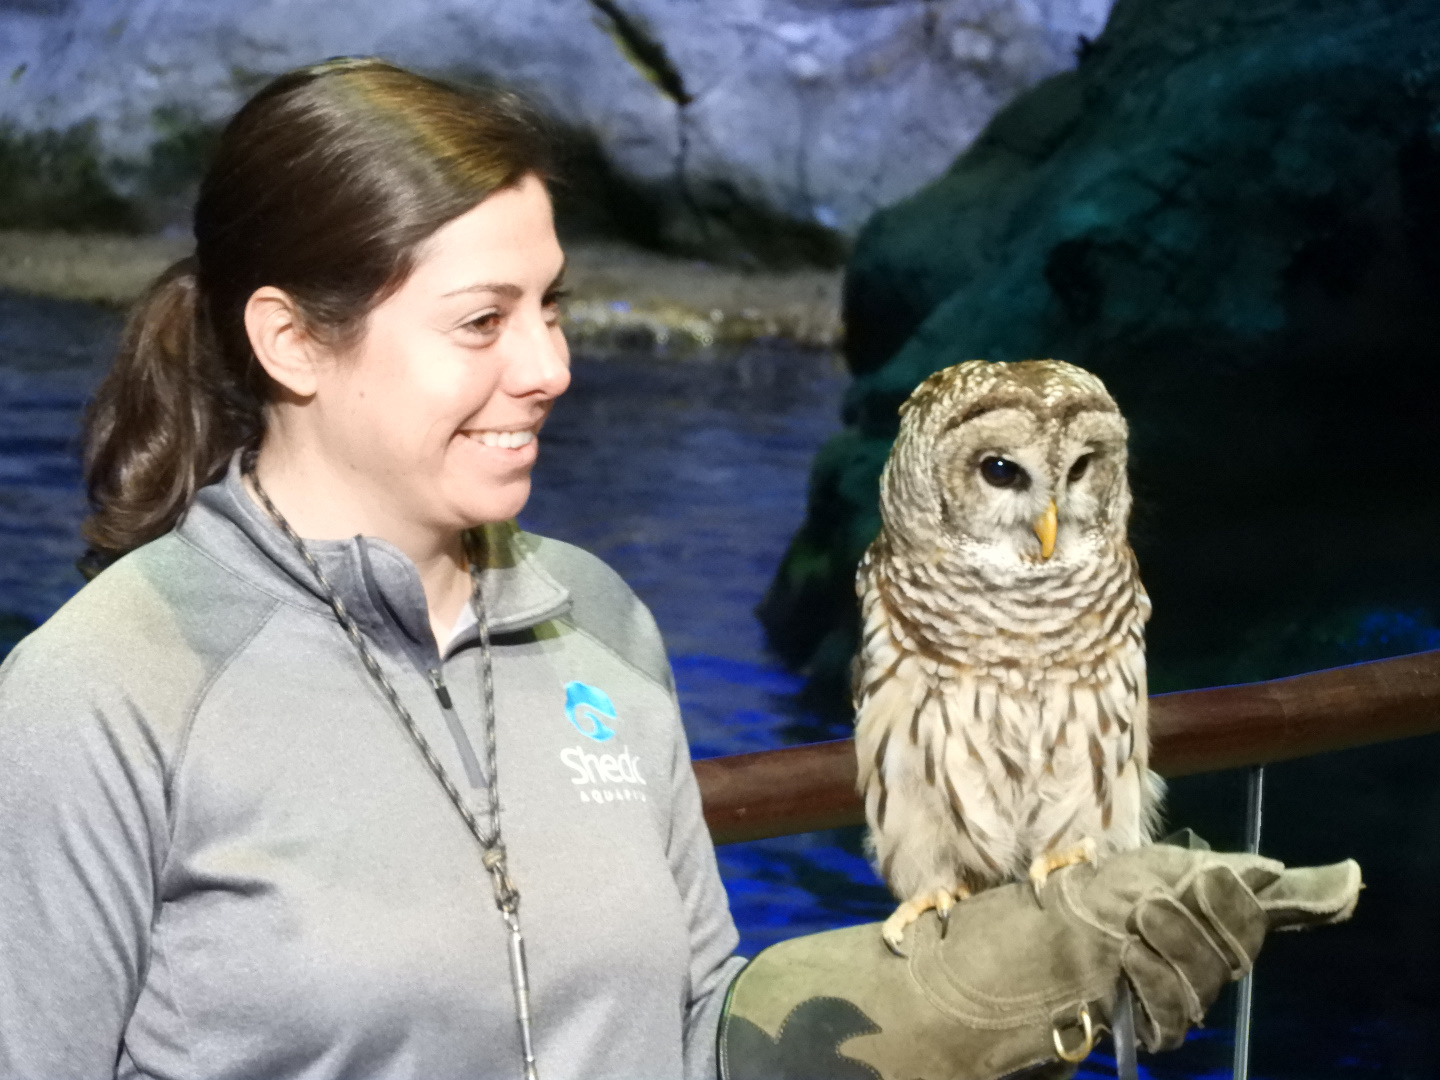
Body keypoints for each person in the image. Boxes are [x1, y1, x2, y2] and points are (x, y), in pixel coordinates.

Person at [0, 58, 1360, 1080]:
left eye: (551, 307)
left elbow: (695, 1026)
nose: (548, 367)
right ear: (294, 344)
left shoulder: (593, 620)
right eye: (481, 321)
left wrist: (989, 973)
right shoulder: (102, 697)